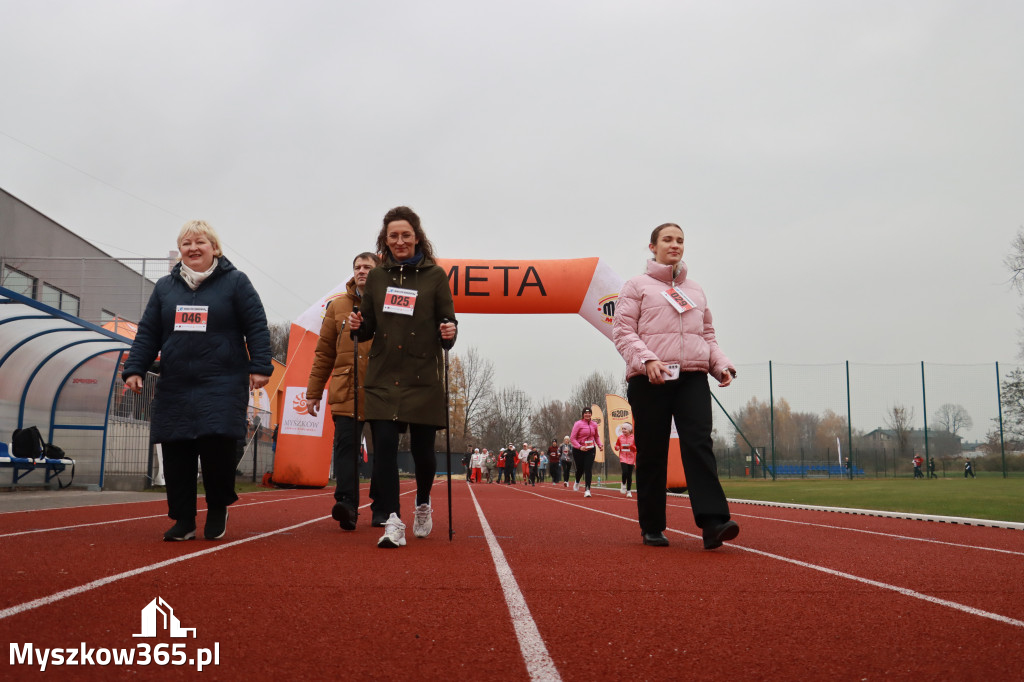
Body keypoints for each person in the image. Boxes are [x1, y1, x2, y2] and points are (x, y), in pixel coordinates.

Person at [123, 220, 272, 542]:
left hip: (222, 380)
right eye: (186, 243)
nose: (193, 248)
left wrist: (260, 366)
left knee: (217, 449)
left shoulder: (235, 282)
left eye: (200, 242)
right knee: (177, 453)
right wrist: (135, 368)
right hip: (176, 382)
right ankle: (184, 520)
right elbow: (148, 332)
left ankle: (217, 507)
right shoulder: (165, 287)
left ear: (214, 248)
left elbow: (256, 325)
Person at [612, 222, 739, 549]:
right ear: (652, 247)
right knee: (652, 451)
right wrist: (648, 360)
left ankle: (713, 523)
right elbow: (623, 333)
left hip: (692, 377)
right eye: (667, 239)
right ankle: (652, 526)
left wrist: (720, 365)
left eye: (680, 240)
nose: (675, 245)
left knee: (698, 443)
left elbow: (706, 335)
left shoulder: (695, 290)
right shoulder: (636, 286)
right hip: (650, 377)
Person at [348, 206, 457, 549]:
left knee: (424, 453)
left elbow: (448, 325)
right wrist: (357, 326)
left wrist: (449, 332)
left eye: (405, 235)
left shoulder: (435, 277)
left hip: (423, 374)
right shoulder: (377, 277)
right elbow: (366, 327)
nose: (399, 241)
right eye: (393, 235)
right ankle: (392, 520)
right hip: (383, 375)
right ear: (385, 239)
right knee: (384, 448)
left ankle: (422, 503)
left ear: (417, 237)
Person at [306, 252, 380, 531]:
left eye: (368, 267)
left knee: (383, 452)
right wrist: (314, 391)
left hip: (381, 389)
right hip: (346, 387)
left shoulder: (388, 303)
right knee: (346, 449)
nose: (362, 271)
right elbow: (324, 352)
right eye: (358, 267)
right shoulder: (337, 306)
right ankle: (347, 506)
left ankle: (381, 506)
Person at [570, 408, 603, 498]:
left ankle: (587, 490)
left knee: (588, 469)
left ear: (591, 414)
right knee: (580, 469)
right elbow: (572, 438)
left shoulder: (594, 424)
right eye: (586, 413)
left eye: (589, 413)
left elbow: (596, 437)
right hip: (578, 450)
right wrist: (580, 447)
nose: (587, 414)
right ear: (583, 414)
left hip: (590, 449)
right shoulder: (578, 424)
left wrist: (600, 445)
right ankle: (577, 481)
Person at [614, 422, 636, 498]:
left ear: (629, 430)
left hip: (631, 458)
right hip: (623, 457)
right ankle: (623, 484)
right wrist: (616, 447)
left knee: (629, 475)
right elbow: (617, 445)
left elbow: (636, 448)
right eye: (622, 429)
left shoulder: (633, 438)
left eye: (625, 429)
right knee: (625, 472)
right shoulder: (620, 437)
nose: (623, 430)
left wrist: (632, 447)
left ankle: (629, 491)